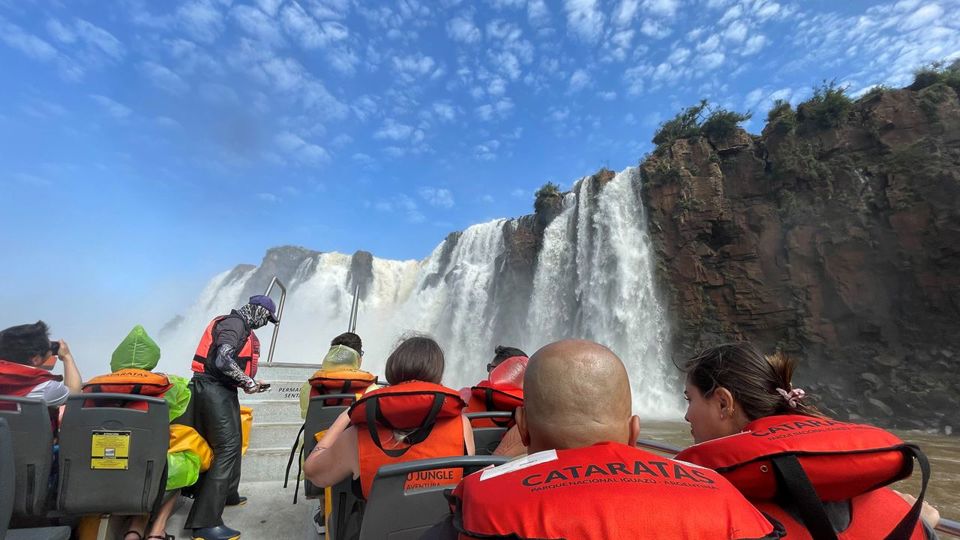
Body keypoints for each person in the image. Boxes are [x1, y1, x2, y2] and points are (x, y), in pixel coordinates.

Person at [449, 340, 777, 539]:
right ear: (634, 432)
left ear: (522, 428)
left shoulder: (475, 507)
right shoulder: (725, 497)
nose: (687, 416)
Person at [674, 342, 940, 539]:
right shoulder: (901, 515)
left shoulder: (706, 510)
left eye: (690, 399)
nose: (687, 415)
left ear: (723, 403)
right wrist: (923, 524)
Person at [303, 335, 475, 499]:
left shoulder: (359, 434)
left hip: (378, 530)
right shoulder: (461, 425)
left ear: (392, 369)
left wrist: (345, 416)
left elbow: (314, 473)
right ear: (438, 376)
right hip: (443, 527)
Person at [82, 325, 212, 540]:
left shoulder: (93, 386)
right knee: (184, 463)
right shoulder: (170, 386)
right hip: (147, 466)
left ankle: (135, 528)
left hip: (99, 465)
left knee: (142, 469)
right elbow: (180, 406)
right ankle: (156, 531)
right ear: (152, 358)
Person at [184, 295, 277, 540]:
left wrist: (250, 384)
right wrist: (248, 381)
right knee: (226, 449)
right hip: (211, 389)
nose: (265, 323)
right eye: (266, 318)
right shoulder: (235, 324)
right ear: (257, 311)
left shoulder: (240, 326)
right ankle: (204, 524)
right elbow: (222, 358)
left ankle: (227, 495)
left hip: (220, 390)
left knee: (233, 444)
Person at [0, 321, 82, 410]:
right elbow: (75, 394)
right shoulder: (43, 386)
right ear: (35, 359)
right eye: (49, 348)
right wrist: (67, 356)